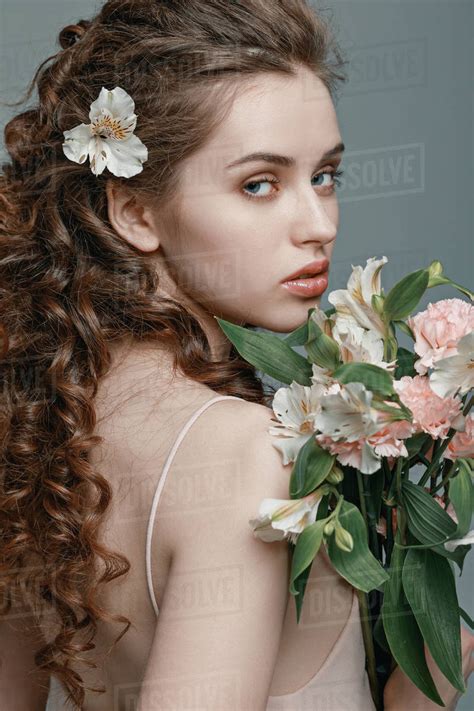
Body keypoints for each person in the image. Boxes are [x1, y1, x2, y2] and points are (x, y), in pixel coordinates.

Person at [0, 1, 471, 710]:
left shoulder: (39, 430)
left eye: (325, 176)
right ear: (134, 210)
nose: (319, 225)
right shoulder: (246, 453)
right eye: (259, 183)